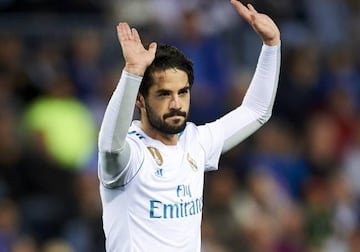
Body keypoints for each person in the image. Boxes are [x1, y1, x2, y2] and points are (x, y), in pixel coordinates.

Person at [97, 0, 281, 251]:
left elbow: (256, 110)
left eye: (182, 92)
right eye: (163, 94)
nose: (176, 103)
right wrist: (132, 73)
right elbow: (109, 147)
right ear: (139, 99)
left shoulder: (197, 141)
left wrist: (271, 45)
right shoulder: (131, 154)